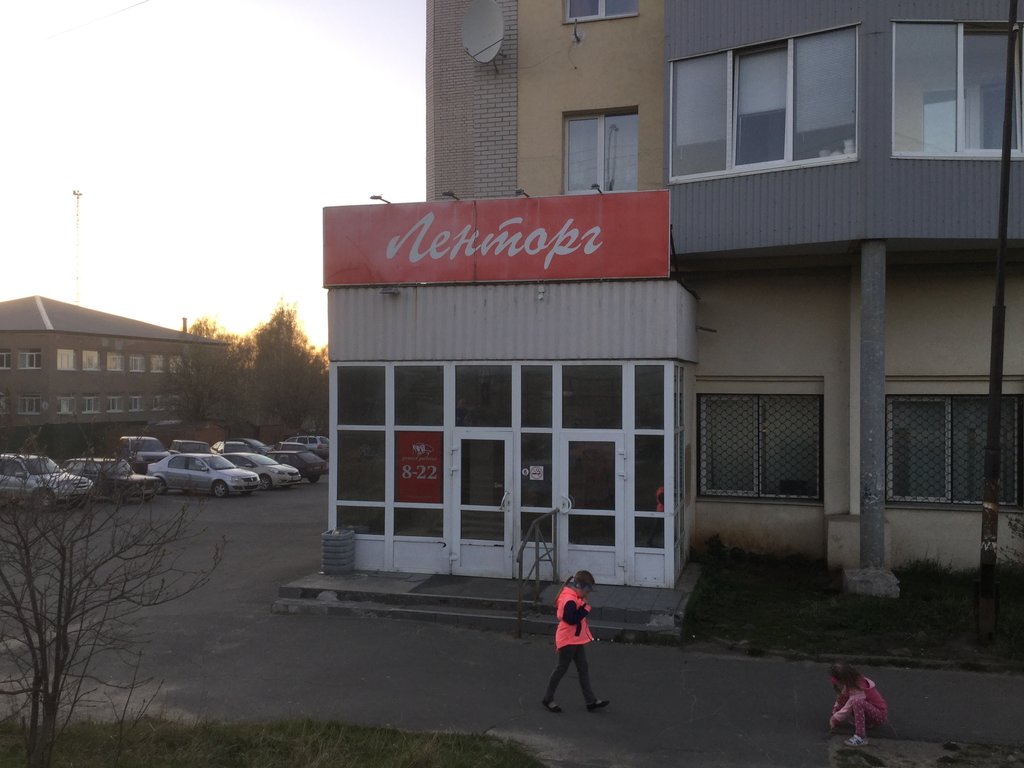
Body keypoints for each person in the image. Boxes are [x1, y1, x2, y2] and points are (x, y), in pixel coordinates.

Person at [541, 570, 610, 713]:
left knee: (583, 667)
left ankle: (590, 701)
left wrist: (583, 605)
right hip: (568, 640)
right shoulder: (570, 600)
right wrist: (585, 608)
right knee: (561, 669)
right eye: (587, 591)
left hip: (575, 639)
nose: (587, 594)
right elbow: (571, 620)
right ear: (579, 586)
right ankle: (548, 698)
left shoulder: (573, 596)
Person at [828, 662, 887, 746]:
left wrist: (835, 718)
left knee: (857, 702)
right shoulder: (850, 683)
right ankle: (866, 723)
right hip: (870, 713)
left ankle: (860, 737)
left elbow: (848, 707)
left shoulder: (859, 688)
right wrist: (835, 712)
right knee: (846, 697)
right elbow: (841, 699)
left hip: (879, 715)